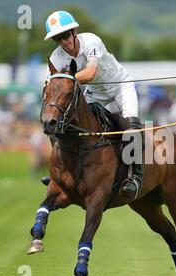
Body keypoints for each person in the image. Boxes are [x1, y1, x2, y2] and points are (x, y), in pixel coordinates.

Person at [42, 11, 143, 199]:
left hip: (120, 87)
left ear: (74, 31)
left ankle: (135, 177)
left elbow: (91, 73)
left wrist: (64, 79)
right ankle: (62, 174)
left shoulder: (91, 41)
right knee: (64, 127)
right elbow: (51, 85)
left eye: (65, 35)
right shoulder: (56, 58)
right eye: (57, 38)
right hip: (95, 95)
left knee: (132, 128)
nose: (63, 41)